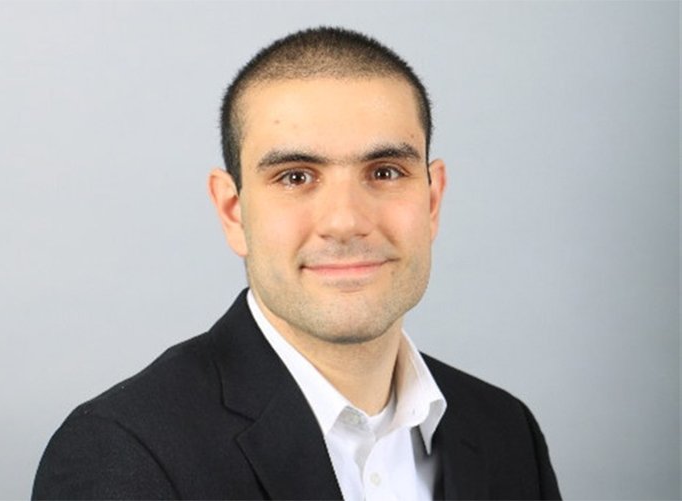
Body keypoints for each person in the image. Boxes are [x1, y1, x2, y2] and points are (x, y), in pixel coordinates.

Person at [33, 27, 561, 500]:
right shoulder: (122, 455)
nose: (346, 221)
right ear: (233, 211)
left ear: (432, 200)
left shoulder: (506, 431)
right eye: (295, 177)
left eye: (384, 172)